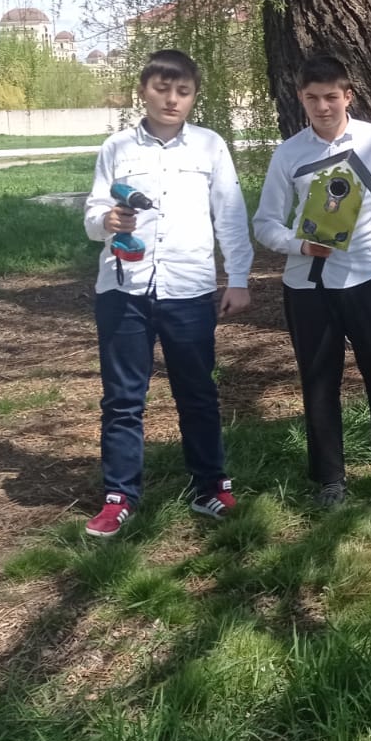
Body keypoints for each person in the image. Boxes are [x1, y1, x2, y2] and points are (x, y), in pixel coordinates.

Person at [83, 49, 254, 537]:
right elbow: (93, 214)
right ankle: (119, 497)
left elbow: (230, 215)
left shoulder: (209, 146)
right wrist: (106, 221)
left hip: (188, 290)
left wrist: (238, 278)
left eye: (183, 91)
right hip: (124, 289)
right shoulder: (117, 147)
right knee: (122, 399)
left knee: (198, 393)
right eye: (162, 89)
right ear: (144, 90)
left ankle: (210, 488)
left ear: (194, 96)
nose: (172, 100)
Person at [253, 54, 371, 507]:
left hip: (369, 278)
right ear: (300, 98)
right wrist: (300, 245)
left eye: (331, 96)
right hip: (308, 286)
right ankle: (331, 480)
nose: (322, 107)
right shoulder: (289, 153)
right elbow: (265, 223)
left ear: (348, 95)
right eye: (312, 98)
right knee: (319, 383)